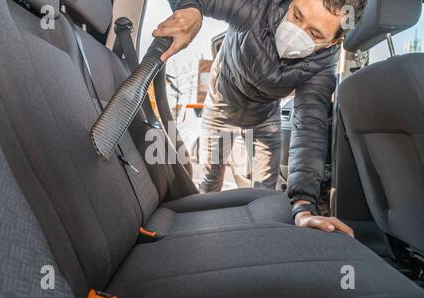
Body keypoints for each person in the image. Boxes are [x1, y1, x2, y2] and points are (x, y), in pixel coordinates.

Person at [155, 0, 367, 237]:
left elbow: (309, 128)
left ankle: (255, 242)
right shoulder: (256, 6)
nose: (295, 33)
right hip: (220, 108)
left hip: (265, 117)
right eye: (296, 15)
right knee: (209, 184)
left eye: (314, 33)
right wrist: (192, 8)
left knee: (267, 192)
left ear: (334, 41)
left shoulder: (322, 67)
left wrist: (304, 207)